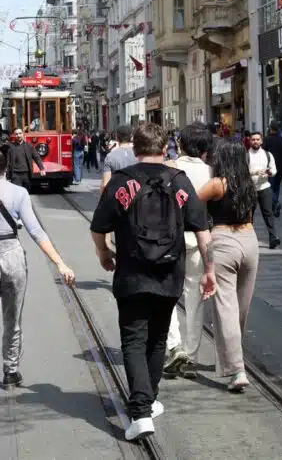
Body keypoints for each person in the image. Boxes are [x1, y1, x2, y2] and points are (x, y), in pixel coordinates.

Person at [90, 123, 214, 440]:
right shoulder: (180, 181)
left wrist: (104, 253)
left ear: (135, 148)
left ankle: (141, 412)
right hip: (170, 272)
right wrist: (210, 269)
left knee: (134, 340)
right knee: (158, 339)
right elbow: (202, 229)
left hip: (132, 273)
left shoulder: (122, 181)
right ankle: (150, 399)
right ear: (165, 149)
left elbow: (98, 226)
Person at [0, 140, 75, 416]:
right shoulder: (19, 193)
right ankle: (10, 370)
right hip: (12, 256)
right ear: (7, 165)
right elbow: (36, 232)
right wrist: (60, 263)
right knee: (12, 317)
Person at [194, 140, 259, 393]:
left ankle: (236, 368)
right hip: (250, 242)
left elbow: (188, 205)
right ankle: (234, 358)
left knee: (226, 309)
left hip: (223, 242)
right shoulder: (248, 184)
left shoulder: (216, 184)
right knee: (241, 308)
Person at [163, 124, 213, 379]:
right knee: (195, 296)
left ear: (180, 144)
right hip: (198, 239)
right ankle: (191, 354)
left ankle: (174, 346)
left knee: (169, 296)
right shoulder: (210, 171)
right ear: (205, 148)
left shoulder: (169, 168)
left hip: (170, 239)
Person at [247, 131, 281, 249]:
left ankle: (273, 238)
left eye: (257, 139)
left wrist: (269, 172)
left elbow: (274, 169)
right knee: (248, 216)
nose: (255, 141)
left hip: (264, 187)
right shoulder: (246, 155)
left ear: (261, 141)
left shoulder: (267, 154)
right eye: (253, 139)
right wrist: (255, 172)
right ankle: (249, 240)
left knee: (268, 214)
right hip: (250, 189)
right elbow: (242, 172)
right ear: (250, 141)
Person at [263, 121, 282, 208]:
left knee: (270, 185)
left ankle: (273, 202)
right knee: (277, 185)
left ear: (270, 128)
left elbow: (262, 153)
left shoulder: (266, 140)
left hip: (269, 167)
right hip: (280, 166)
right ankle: (275, 201)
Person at [101, 124, 137, 191]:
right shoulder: (138, 155)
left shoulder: (110, 156)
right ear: (131, 137)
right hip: (135, 195)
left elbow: (105, 184)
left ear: (117, 137)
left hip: (118, 195)